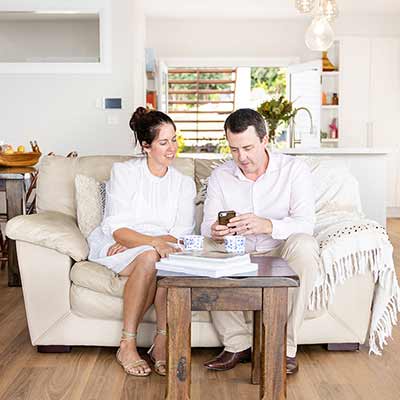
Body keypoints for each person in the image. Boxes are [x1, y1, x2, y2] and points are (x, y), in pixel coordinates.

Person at [200, 108, 319, 375]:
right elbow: (206, 225)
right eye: (233, 149)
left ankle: (284, 348)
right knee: (199, 253)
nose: (241, 157)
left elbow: (306, 224)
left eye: (248, 148)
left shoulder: (294, 170)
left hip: (279, 249)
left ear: (265, 140)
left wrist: (268, 225)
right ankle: (237, 343)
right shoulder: (221, 175)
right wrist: (215, 231)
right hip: (236, 250)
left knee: (306, 245)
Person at [88, 107, 196, 377]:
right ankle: (128, 343)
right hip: (120, 246)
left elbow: (181, 232)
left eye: (174, 139)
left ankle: (161, 341)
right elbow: (115, 228)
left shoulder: (183, 183)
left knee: (155, 256)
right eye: (163, 142)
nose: (172, 148)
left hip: (152, 246)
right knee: (150, 256)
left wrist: (142, 241)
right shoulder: (125, 172)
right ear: (146, 145)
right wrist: (144, 243)